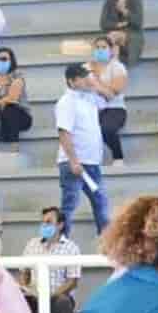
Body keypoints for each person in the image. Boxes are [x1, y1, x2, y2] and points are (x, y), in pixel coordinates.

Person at [20, 206, 83, 313]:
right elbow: (25, 272)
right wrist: (24, 288)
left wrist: (51, 295)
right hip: (34, 296)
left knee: (64, 303)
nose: (44, 226)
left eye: (48, 222)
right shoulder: (32, 244)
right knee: (16, 302)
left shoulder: (71, 248)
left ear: (60, 225)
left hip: (57, 296)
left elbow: (72, 281)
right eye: (43, 223)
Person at [56, 64, 110, 238]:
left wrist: (95, 84)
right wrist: (73, 160)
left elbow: (109, 97)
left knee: (101, 204)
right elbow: (64, 132)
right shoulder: (66, 102)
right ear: (72, 81)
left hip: (92, 162)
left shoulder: (89, 97)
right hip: (75, 163)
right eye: (82, 77)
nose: (87, 80)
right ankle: (61, 245)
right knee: (69, 207)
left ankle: (108, 245)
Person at [89, 36, 130, 164]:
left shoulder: (118, 67)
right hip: (92, 107)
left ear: (111, 50)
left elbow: (115, 91)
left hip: (115, 108)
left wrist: (96, 81)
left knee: (107, 128)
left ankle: (118, 157)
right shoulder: (85, 67)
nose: (100, 50)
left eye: (104, 47)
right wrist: (104, 89)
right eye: (97, 48)